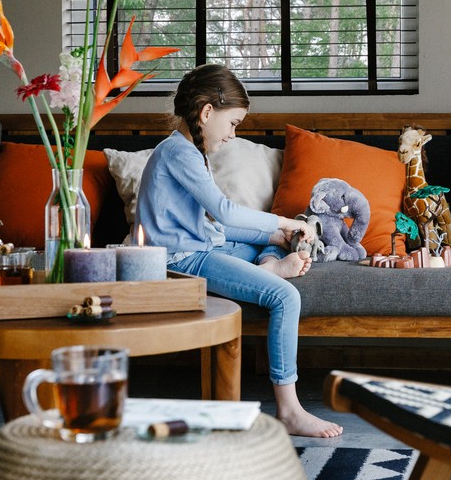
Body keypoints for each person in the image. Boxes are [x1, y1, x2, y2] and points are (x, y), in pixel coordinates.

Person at [135, 63, 343, 438]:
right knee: (285, 298)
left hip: (197, 246)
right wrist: (285, 223)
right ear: (207, 112)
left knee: (261, 239)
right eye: (233, 124)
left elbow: (213, 225)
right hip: (179, 262)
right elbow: (224, 210)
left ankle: (270, 264)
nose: (233, 135)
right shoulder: (179, 153)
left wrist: (274, 237)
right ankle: (290, 410)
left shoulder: (186, 151)